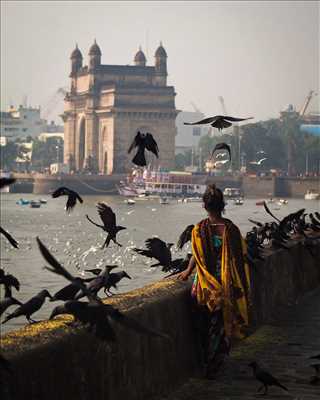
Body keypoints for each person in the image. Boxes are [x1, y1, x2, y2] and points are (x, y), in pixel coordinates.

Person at [177, 184, 251, 379]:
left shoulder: (199, 229)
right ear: (223, 205)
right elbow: (241, 257)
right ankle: (215, 361)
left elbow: (196, 253)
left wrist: (187, 271)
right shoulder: (231, 229)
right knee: (219, 324)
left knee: (202, 323)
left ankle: (205, 361)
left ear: (204, 206)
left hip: (204, 286)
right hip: (225, 285)